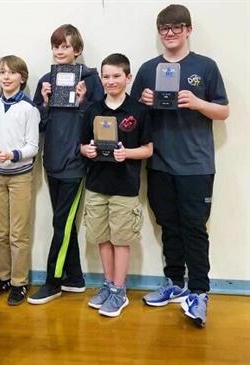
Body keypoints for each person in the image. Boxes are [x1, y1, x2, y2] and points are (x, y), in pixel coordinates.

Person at [131, 4, 229, 327]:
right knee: (168, 227)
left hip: (196, 165)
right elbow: (132, 118)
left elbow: (223, 111)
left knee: (194, 230)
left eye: (176, 27)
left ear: (188, 30)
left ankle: (199, 293)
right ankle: (174, 282)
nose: (169, 33)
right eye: (164, 29)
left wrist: (196, 102)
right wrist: (143, 102)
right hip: (159, 164)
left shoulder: (206, 66)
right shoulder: (147, 69)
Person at [28, 24, 104, 305]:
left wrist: (84, 101)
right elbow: (40, 124)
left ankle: (53, 281)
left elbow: (98, 121)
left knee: (61, 222)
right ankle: (74, 277)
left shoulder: (91, 80)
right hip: (52, 162)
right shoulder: (47, 79)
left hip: (75, 164)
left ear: (77, 50)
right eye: (56, 46)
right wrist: (45, 103)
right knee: (66, 223)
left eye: (65, 46)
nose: (60, 51)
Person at [80, 53, 152, 317]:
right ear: (101, 78)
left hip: (125, 188)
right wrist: (86, 150)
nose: (111, 81)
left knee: (121, 240)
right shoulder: (92, 109)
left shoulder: (139, 111)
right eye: (106, 76)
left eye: (116, 76)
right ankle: (108, 285)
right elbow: (82, 145)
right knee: (102, 239)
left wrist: (127, 154)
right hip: (96, 185)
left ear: (128, 77)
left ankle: (120, 291)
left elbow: (148, 149)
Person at [0, 55, 40, 305]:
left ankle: (19, 282)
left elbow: (33, 147)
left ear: (22, 77)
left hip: (20, 177)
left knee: (18, 234)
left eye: (12, 73)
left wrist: (13, 155)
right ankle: (3, 277)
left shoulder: (29, 108)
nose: (6, 77)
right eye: (2, 72)